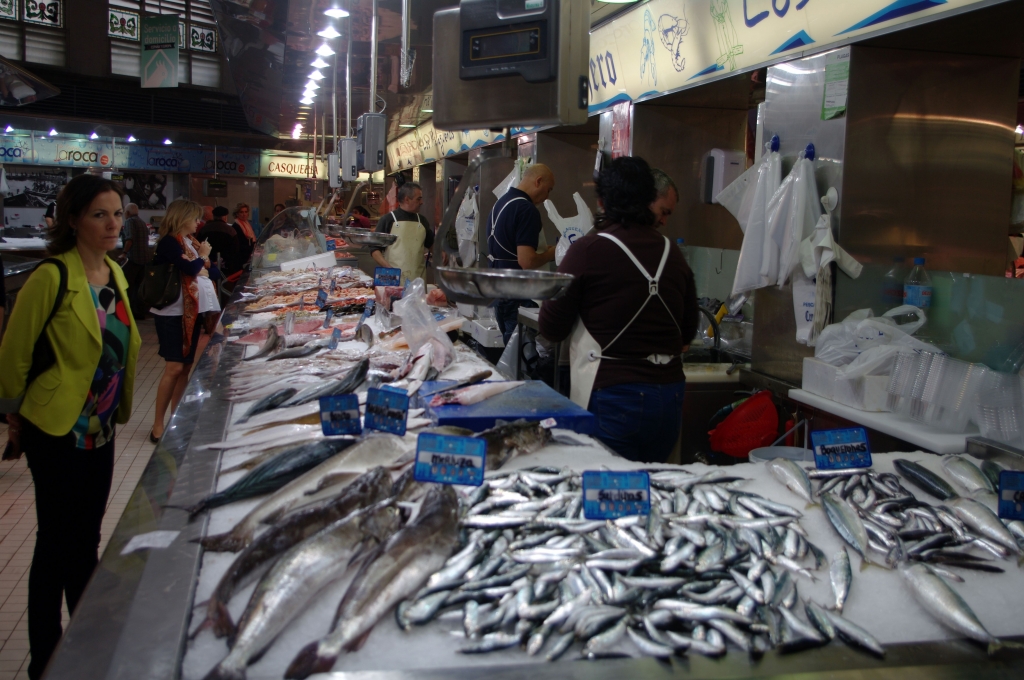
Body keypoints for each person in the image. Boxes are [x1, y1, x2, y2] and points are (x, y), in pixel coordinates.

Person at [0, 174, 141, 680]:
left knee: (86, 538)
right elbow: (13, 354)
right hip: (56, 428)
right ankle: (45, 656)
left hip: (101, 427)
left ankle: (86, 645)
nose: (112, 224)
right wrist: (14, 415)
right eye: (100, 214)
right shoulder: (51, 276)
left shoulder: (115, 272)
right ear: (74, 220)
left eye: (117, 214)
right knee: (55, 543)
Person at [539, 157, 699, 464]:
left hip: (614, 398)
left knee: (610, 485)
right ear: (649, 200)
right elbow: (686, 333)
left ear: (601, 202)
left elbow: (551, 328)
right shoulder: (673, 253)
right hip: (669, 397)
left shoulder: (587, 250)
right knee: (652, 485)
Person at [149, 199, 221, 443]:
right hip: (171, 313)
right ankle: (158, 424)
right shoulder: (169, 242)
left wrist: (201, 262)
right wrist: (202, 259)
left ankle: (176, 419)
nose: (198, 222)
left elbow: (213, 272)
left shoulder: (191, 242)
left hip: (193, 312)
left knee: (185, 369)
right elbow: (190, 269)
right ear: (181, 218)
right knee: (174, 368)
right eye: (194, 218)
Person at [487, 163, 557, 344]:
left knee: (509, 351)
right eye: (548, 189)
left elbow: (509, 246)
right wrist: (552, 254)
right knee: (521, 354)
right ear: (538, 181)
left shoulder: (500, 203)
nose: (547, 196)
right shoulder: (527, 209)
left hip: (498, 291)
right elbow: (527, 261)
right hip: (518, 296)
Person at [371, 182, 433, 284]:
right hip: (393, 278)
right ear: (407, 199)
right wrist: (388, 267)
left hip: (418, 280)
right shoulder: (388, 220)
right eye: (418, 199)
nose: (422, 202)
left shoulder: (422, 221)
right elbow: (374, 249)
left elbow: (431, 244)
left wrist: (441, 254)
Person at [120, 203, 151, 321]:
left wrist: (124, 253)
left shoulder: (129, 221)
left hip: (133, 259)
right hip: (144, 259)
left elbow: (129, 239)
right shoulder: (142, 222)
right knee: (139, 288)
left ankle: (127, 312)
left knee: (127, 286)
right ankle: (139, 312)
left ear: (127, 213)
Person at [199, 206, 240, 274]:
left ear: (214, 216)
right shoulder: (231, 230)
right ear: (225, 217)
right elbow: (235, 249)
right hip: (226, 266)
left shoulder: (204, 229)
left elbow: (199, 244)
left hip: (208, 263)